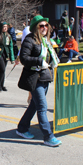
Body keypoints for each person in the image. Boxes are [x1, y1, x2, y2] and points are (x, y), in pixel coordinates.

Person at [16, 15, 62, 147]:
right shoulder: (29, 40)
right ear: (36, 27)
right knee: (42, 107)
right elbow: (24, 59)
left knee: (34, 105)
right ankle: (48, 136)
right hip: (34, 78)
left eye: (46, 25)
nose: (44, 28)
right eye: (41, 26)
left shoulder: (46, 41)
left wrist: (54, 61)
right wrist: (39, 61)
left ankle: (22, 128)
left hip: (45, 77)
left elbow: (50, 57)